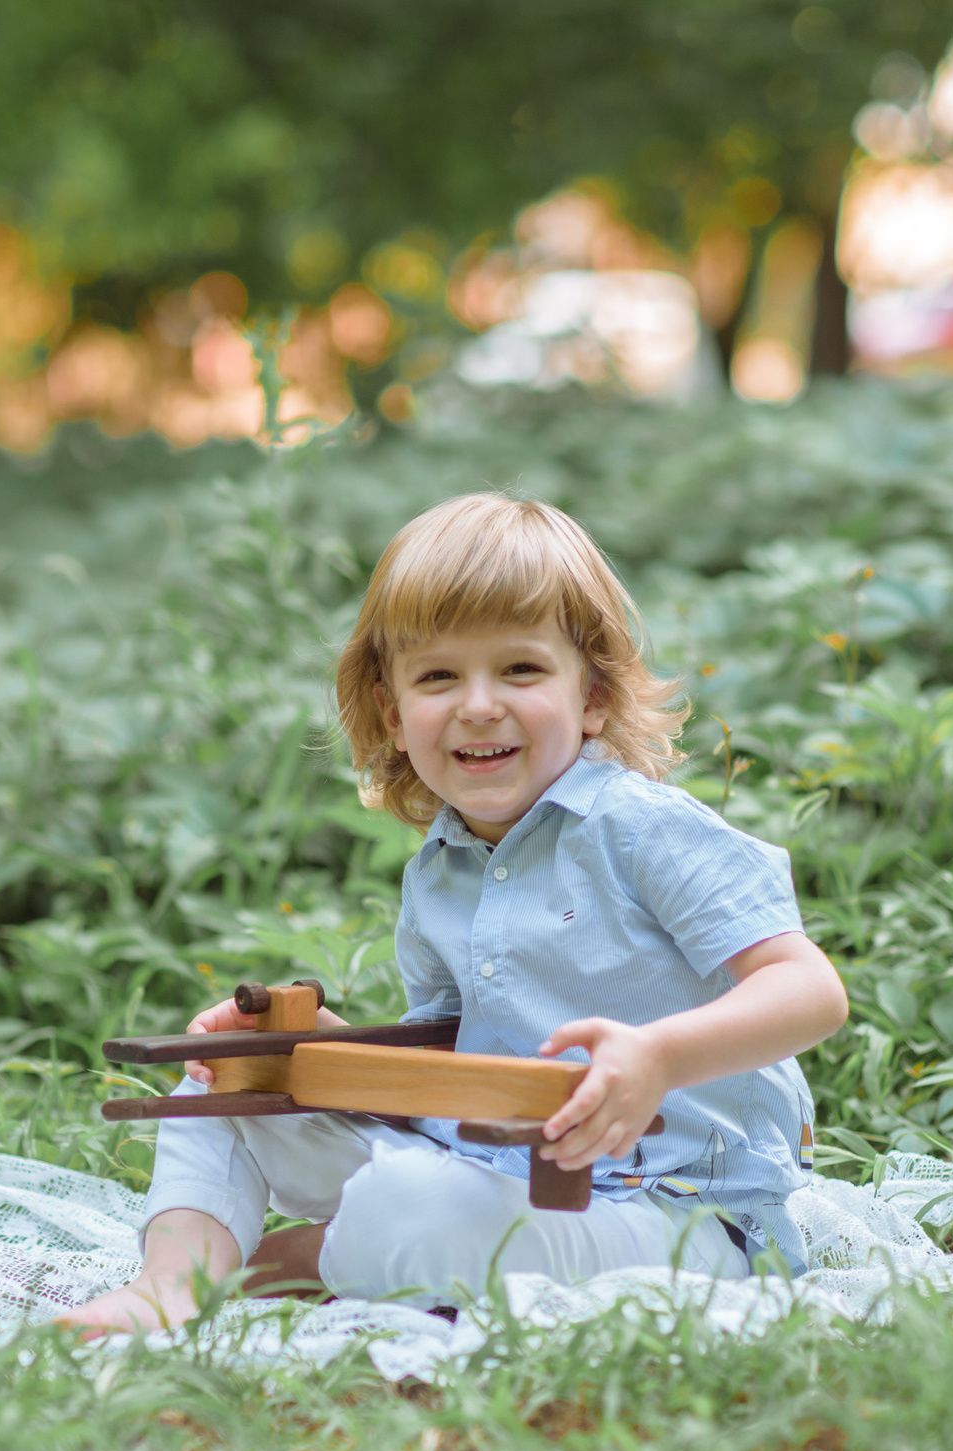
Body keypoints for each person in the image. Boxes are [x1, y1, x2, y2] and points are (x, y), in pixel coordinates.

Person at [60, 493, 848, 1334]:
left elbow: (809, 991)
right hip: (496, 1164)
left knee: (407, 1207)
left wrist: (659, 1055)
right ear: (395, 715)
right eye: (439, 676)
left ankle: (307, 1263)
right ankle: (173, 1286)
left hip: (678, 1211)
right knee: (222, 1074)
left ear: (592, 698)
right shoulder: (440, 869)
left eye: (519, 669)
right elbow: (444, 1062)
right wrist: (332, 1050)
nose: (478, 704)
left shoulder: (642, 829)